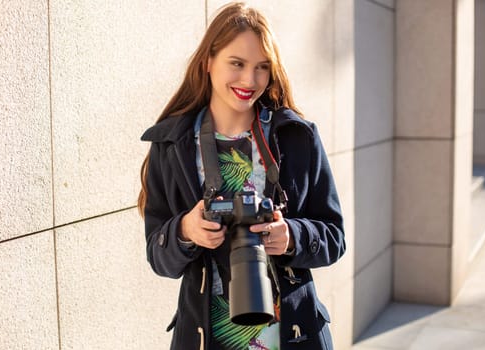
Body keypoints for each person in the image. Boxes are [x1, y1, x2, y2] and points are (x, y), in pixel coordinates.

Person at [138, 2, 345, 349]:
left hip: (293, 335)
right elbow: (158, 257)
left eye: (262, 68)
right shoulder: (172, 145)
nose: (250, 80)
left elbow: (335, 238)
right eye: (237, 63)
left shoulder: (297, 138)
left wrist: (291, 235)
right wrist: (186, 230)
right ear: (208, 62)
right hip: (208, 336)